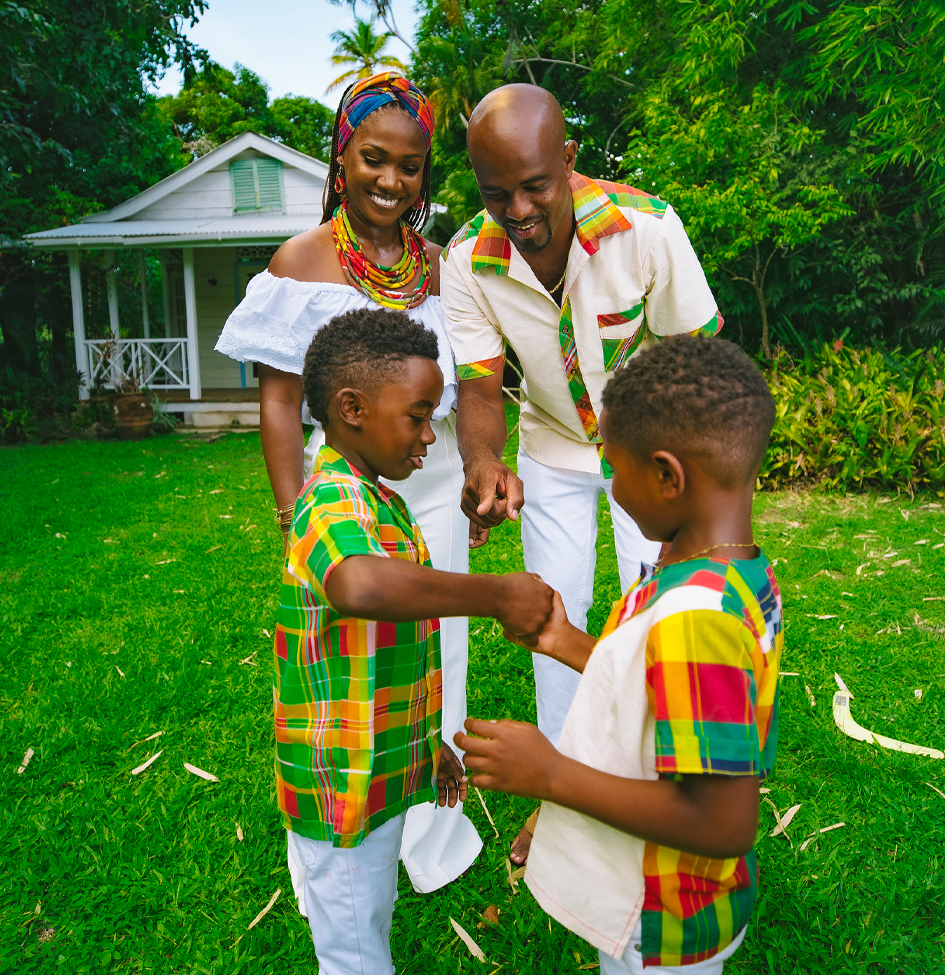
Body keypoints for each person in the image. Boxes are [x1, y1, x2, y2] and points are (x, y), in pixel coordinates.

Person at [439, 83, 724, 863]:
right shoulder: (466, 260)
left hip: (652, 454)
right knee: (549, 618)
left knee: (653, 621)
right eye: (497, 195)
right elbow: (476, 386)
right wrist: (482, 459)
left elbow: (701, 367)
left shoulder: (648, 229)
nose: (519, 210)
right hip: (552, 447)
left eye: (534, 186)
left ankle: (662, 784)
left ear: (567, 161)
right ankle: (559, 798)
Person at [216, 72, 485, 895]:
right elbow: (279, 397)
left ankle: (427, 826)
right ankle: (342, 821)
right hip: (347, 498)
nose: (390, 182)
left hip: (431, 488)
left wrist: (476, 471)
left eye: (410, 168)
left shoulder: (440, 267)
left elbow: (471, 382)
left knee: (438, 651)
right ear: (342, 157)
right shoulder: (300, 260)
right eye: (374, 160)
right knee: (348, 660)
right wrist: (294, 507)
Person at [455, 334, 783, 975]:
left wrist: (547, 774)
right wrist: (567, 643)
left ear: (666, 476)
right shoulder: (718, 574)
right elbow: (653, 682)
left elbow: (722, 822)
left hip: (661, 919)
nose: (607, 479)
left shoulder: (702, 621)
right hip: (652, 899)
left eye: (612, 463)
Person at [281, 308, 553, 974]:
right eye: (418, 415)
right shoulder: (329, 501)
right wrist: (492, 595)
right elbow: (361, 588)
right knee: (351, 949)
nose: (433, 435)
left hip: (380, 770)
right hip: (338, 784)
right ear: (351, 409)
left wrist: (427, 748)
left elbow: (402, 649)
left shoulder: (382, 501)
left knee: (370, 911)